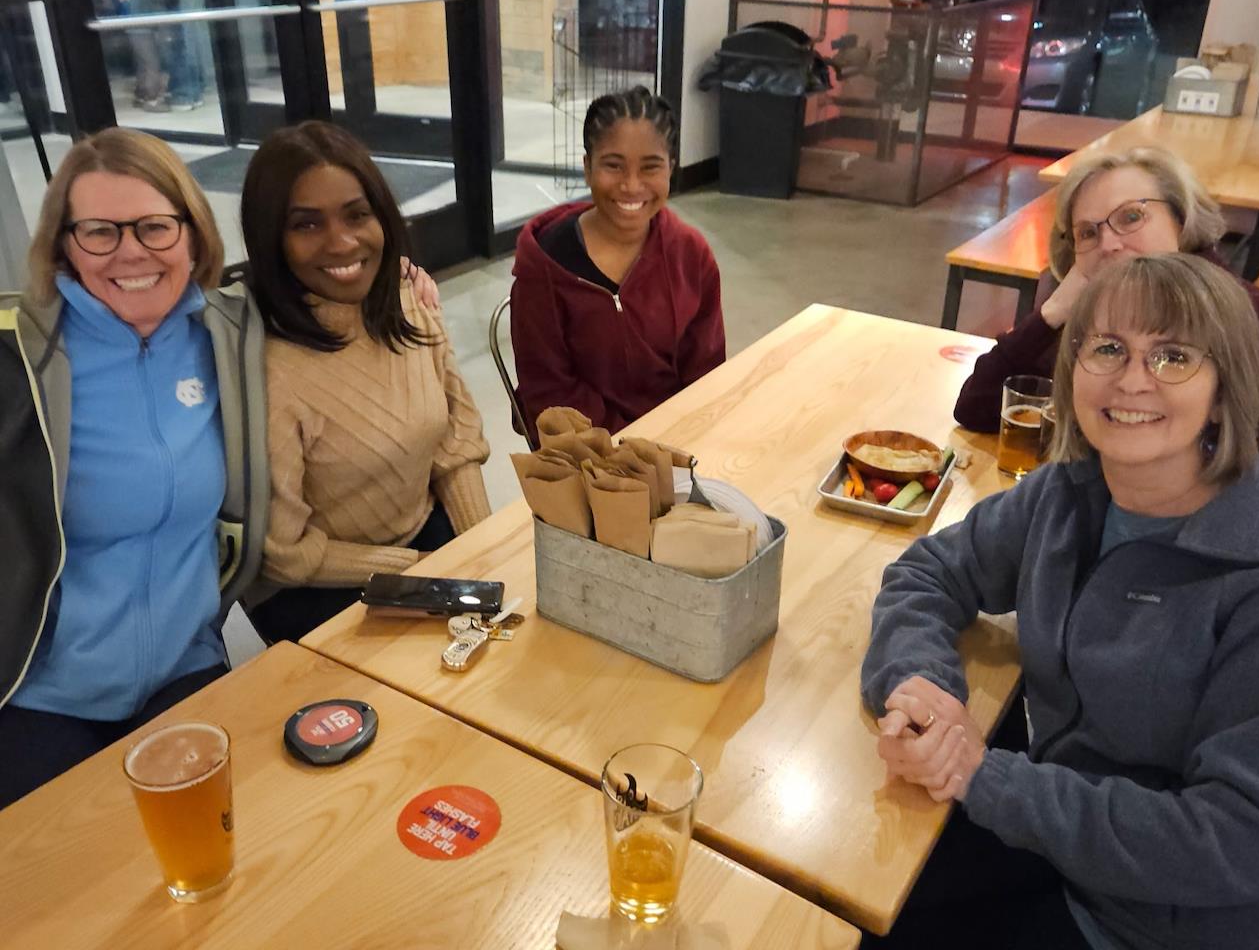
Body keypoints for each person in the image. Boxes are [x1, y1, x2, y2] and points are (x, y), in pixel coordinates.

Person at [862, 253, 1259, 949]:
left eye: (1173, 356)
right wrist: (920, 685)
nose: (1132, 379)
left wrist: (985, 777)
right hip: (1048, 837)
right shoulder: (1070, 489)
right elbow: (929, 571)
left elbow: (1237, 837)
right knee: (850, 894)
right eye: (1108, 348)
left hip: (1152, 923)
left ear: (1225, 387)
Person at [0, 128, 269, 808]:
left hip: (188, 668)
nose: (130, 252)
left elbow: (334, 290)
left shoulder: (230, 332)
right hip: (42, 692)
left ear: (193, 233)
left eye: (154, 226)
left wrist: (404, 286)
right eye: (99, 232)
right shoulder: (18, 360)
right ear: (63, 244)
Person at [239, 121, 490, 644]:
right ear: (270, 239)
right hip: (318, 584)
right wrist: (421, 572)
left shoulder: (406, 299)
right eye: (307, 224)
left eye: (357, 214)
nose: (342, 241)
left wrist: (483, 553)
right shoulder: (266, 369)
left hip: (422, 533)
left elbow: (456, 444)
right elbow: (285, 555)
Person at [953, 146, 1259, 432]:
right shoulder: (1094, 311)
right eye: (1088, 233)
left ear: (1180, 220)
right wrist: (1051, 314)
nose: (1108, 244)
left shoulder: (1248, 316)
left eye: (1131, 217)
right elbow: (976, 407)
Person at [511, 85, 725, 441]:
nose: (631, 185)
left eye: (650, 167)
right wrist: (631, 446)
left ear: (671, 168)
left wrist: (680, 438)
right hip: (585, 450)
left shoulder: (692, 255)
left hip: (677, 440)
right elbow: (548, 391)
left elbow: (707, 373)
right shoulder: (544, 266)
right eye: (613, 165)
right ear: (587, 167)